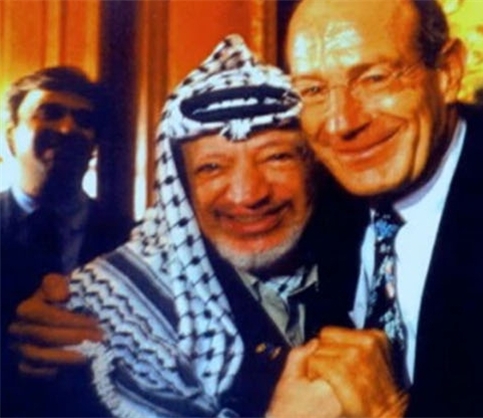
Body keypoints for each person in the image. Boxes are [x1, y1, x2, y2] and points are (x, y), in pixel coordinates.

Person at [8, 35, 361, 417]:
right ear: (182, 188)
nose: (248, 194)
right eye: (212, 167)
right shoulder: (103, 312)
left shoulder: (361, 265)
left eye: (276, 157)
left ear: (313, 166)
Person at [281, 0, 483, 416]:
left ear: (448, 71)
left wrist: (387, 411)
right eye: (313, 90)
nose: (341, 123)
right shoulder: (318, 208)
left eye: (374, 78)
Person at [1, 66, 131, 416]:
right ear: (11, 135)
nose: (67, 128)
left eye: (83, 120)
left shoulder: (132, 242)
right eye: (50, 113)